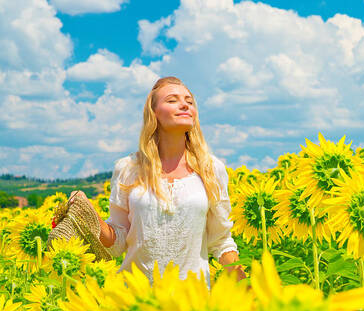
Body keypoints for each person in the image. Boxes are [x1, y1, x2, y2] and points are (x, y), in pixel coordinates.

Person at [70, 76, 246, 289]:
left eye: (189, 102)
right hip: (135, 300)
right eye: (172, 100)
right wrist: (89, 217)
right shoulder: (128, 168)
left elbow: (221, 241)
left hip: (192, 302)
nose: (184, 105)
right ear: (154, 113)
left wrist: (248, 289)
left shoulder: (211, 169)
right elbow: (116, 245)